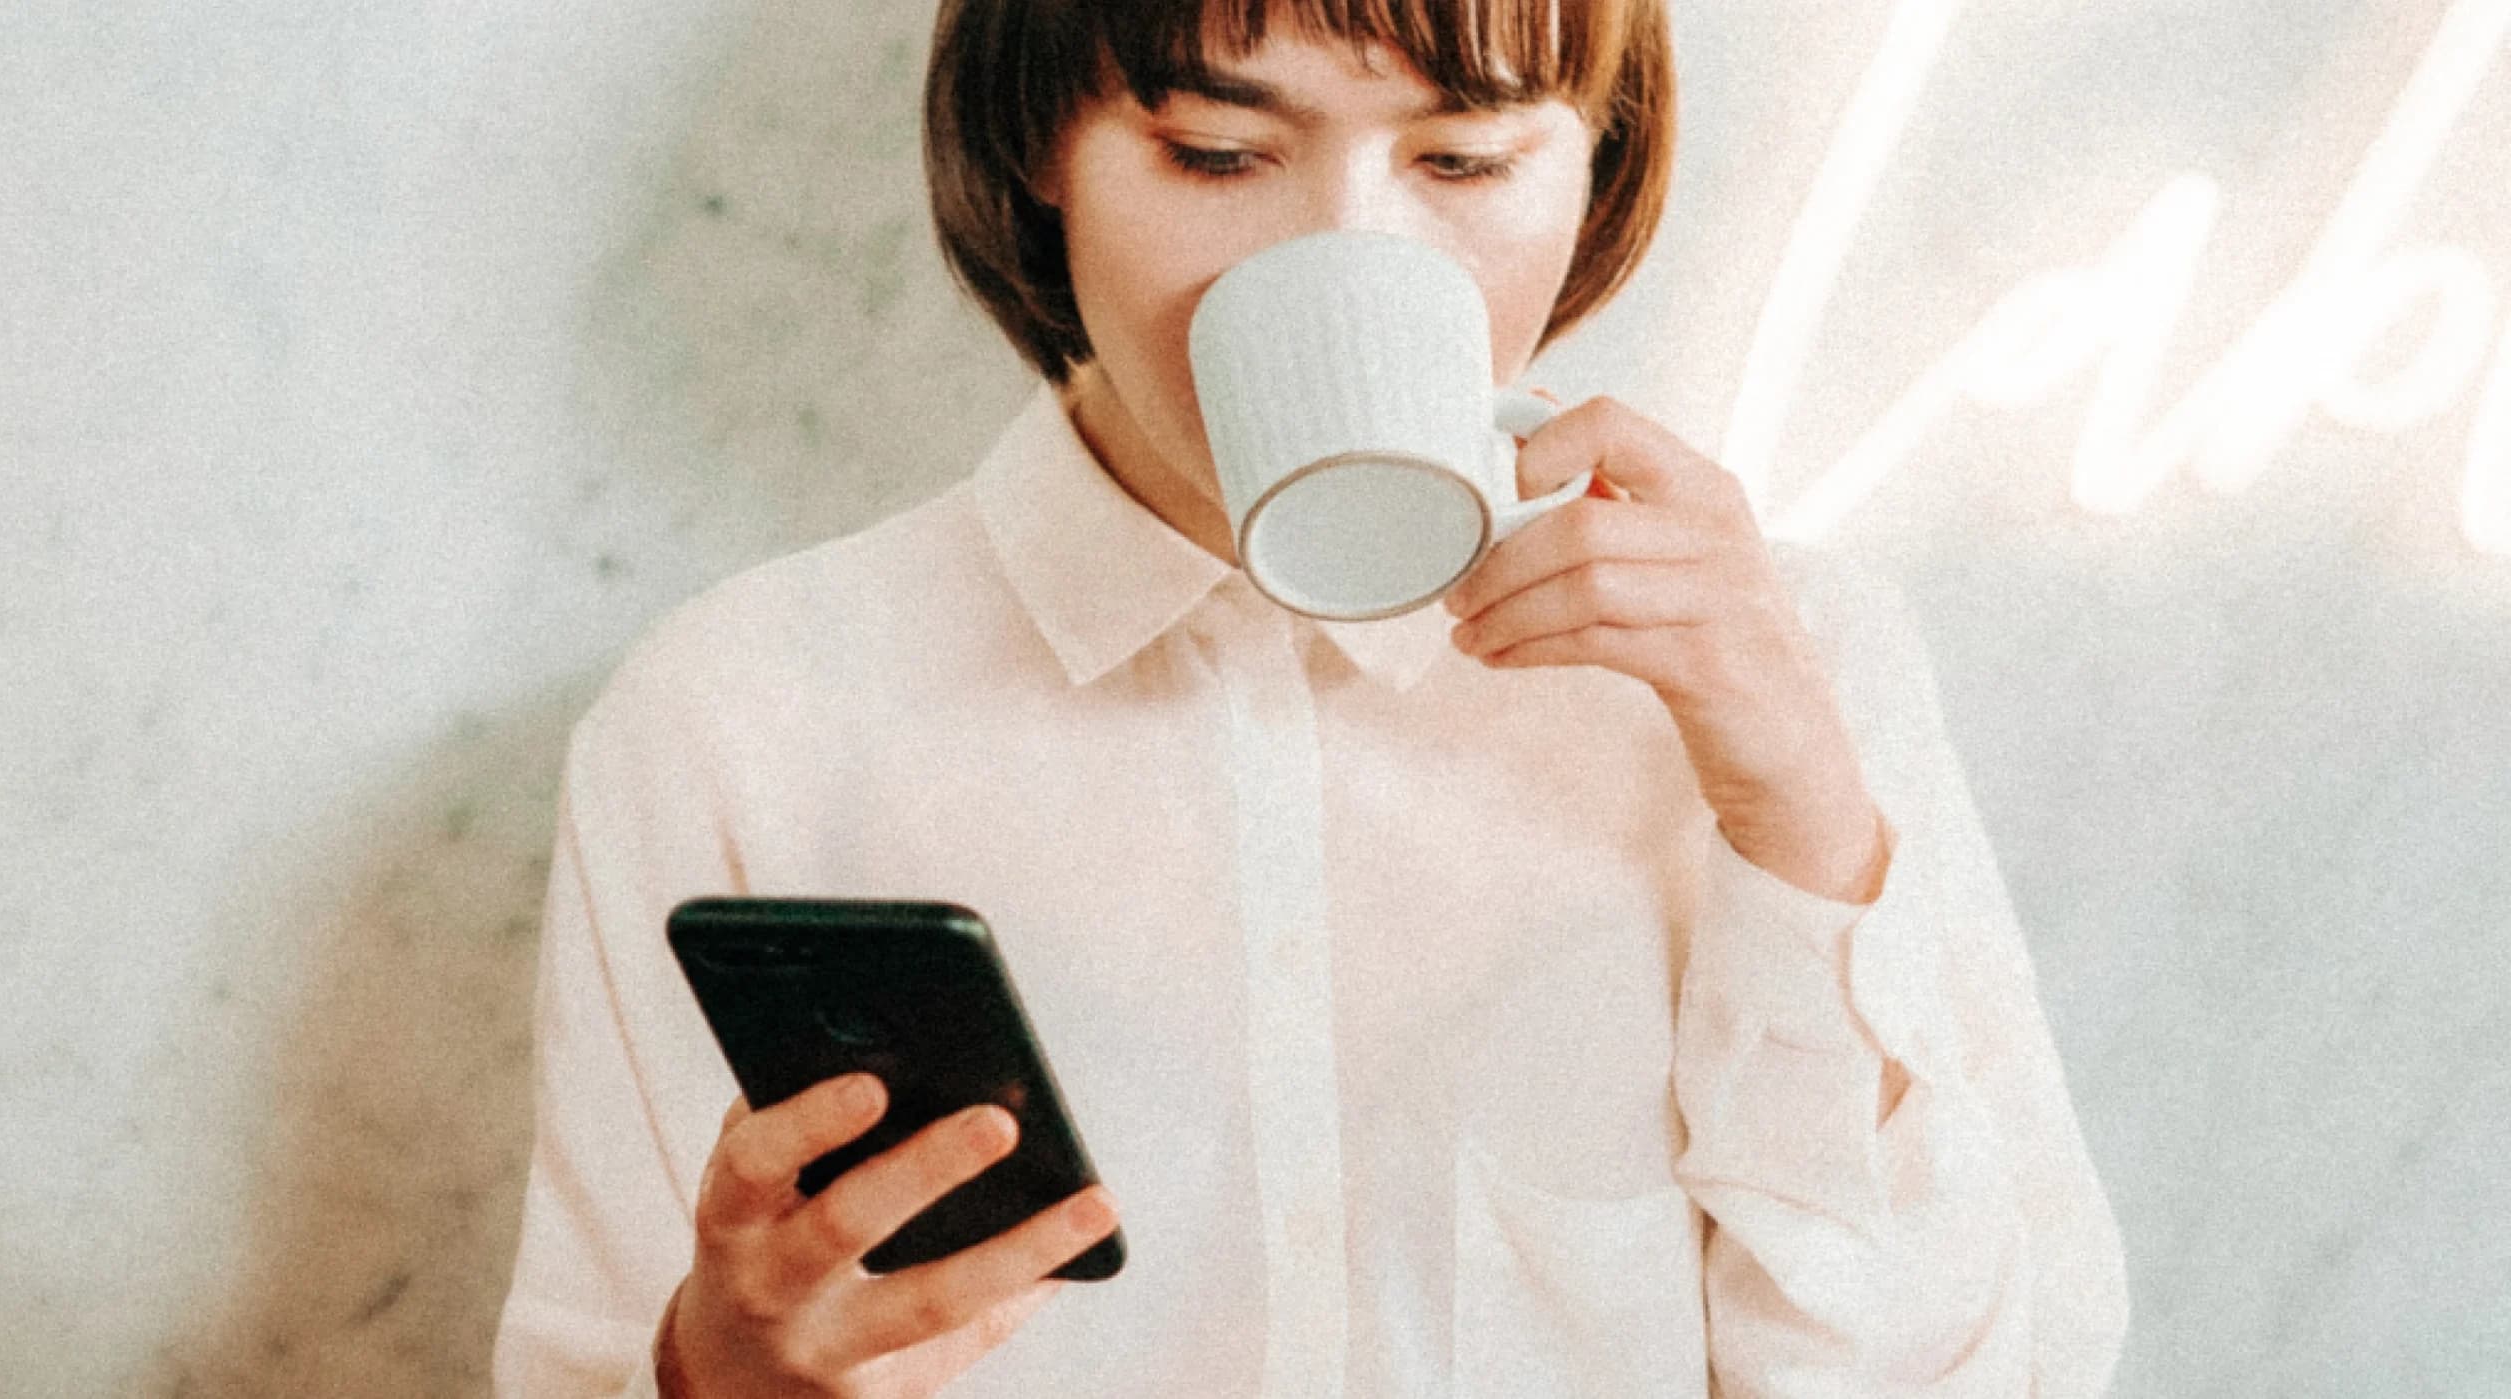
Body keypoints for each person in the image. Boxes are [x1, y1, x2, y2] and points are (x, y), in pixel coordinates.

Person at [492, 0, 2132, 1394]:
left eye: (1467, 160)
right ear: (1036, 153)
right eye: (1218, 153)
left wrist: (1801, 827)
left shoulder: (1779, 664)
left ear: (1597, 169)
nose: (1349, 249)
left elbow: (1978, 1368)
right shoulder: (750, 712)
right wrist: (721, 1376)